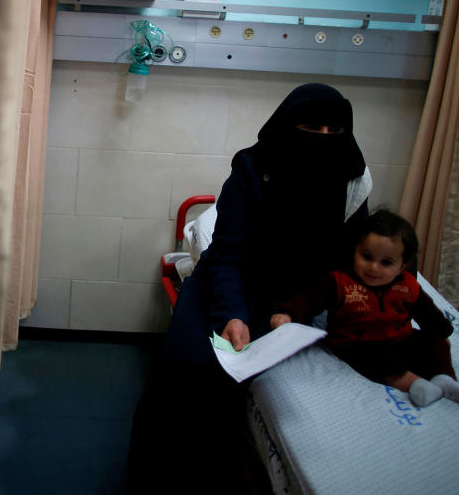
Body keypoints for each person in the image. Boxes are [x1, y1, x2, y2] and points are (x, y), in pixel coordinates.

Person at [127, 83, 372, 492]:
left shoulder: (352, 180)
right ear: (289, 125)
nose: (325, 140)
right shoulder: (252, 169)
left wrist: (322, 305)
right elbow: (226, 253)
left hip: (300, 293)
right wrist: (231, 314)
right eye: (312, 127)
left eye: (335, 130)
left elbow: (350, 258)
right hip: (234, 281)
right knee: (188, 370)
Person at [270, 209, 459, 409]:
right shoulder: (340, 282)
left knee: (435, 343)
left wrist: (441, 331)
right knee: (379, 360)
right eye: (367, 256)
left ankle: (445, 380)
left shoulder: (407, 285)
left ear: (402, 266)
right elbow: (309, 299)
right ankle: (413, 384)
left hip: (400, 339)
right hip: (357, 344)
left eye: (386, 262)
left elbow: (426, 311)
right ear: (355, 251)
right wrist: (288, 313)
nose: (373, 268)